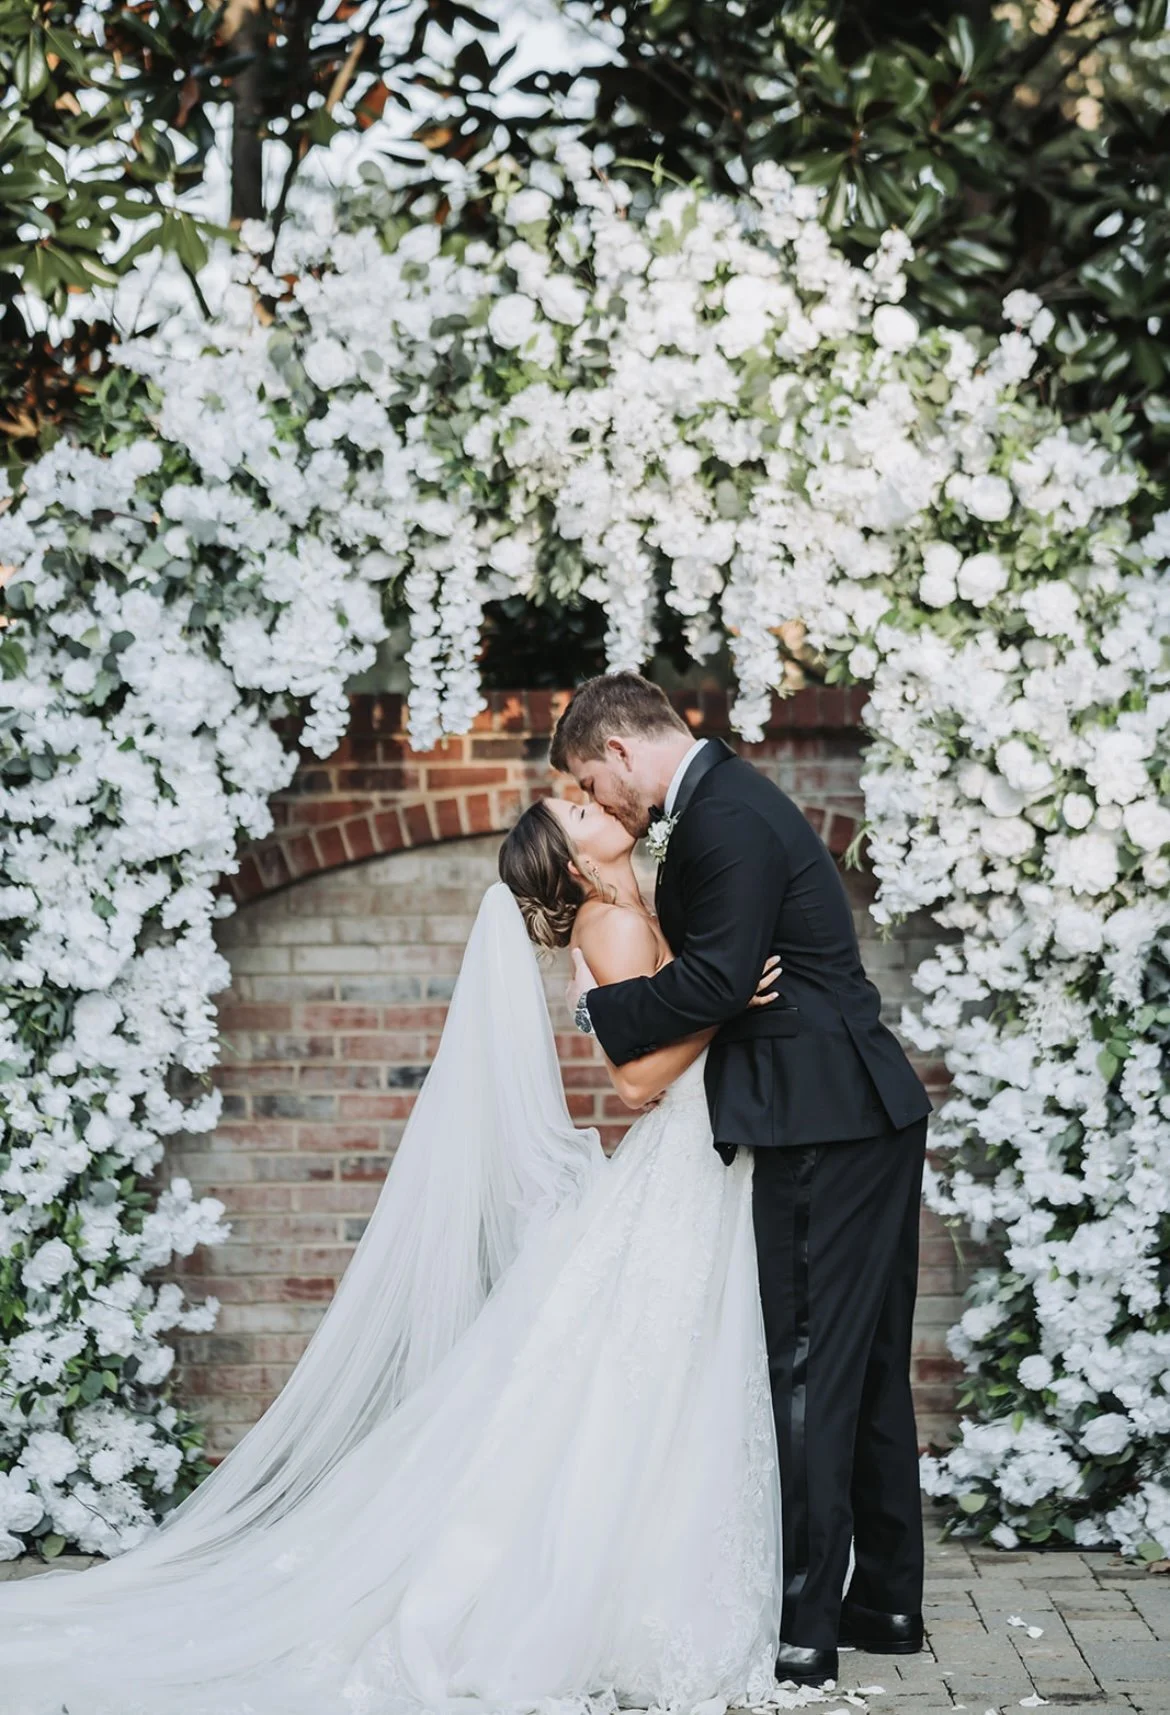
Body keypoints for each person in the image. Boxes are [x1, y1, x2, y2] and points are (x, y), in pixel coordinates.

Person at [0, 798, 795, 1715]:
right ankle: (613, 1597)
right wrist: (727, 1000)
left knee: (655, 1381)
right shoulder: (612, 921)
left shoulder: (634, 901)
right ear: (574, 864)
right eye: (577, 808)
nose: (593, 801)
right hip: (675, 1159)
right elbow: (634, 1083)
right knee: (647, 1380)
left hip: (696, 1163)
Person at [560, 672, 933, 1689]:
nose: (601, 799)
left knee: (808, 1361)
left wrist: (605, 1010)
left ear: (625, 751)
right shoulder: (727, 801)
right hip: (859, 1108)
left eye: (595, 779)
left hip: (824, 1115)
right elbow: (731, 975)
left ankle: (807, 1627)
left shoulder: (720, 816)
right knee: (859, 1363)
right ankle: (885, 1598)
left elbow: (724, 979)